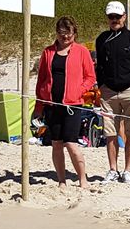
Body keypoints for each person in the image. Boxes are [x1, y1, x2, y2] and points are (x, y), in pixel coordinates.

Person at [35, 16, 97, 188]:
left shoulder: (82, 51)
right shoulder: (48, 52)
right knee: (56, 143)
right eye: (62, 34)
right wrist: (38, 106)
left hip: (73, 105)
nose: (65, 37)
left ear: (74, 33)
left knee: (71, 143)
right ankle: (61, 180)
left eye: (68, 34)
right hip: (51, 105)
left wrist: (79, 90)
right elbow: (41, 80)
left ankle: (83, 179)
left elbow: (90, 77)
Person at [95, 0, 130, 183]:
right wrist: (102, 85)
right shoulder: (101, 39)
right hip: (108, 93)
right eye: (111, 16)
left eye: (117, 16)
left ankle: (127, 171)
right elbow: (99, 66)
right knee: (110, 133)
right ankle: (112, 169)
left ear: (124, 17)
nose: (114, 19)